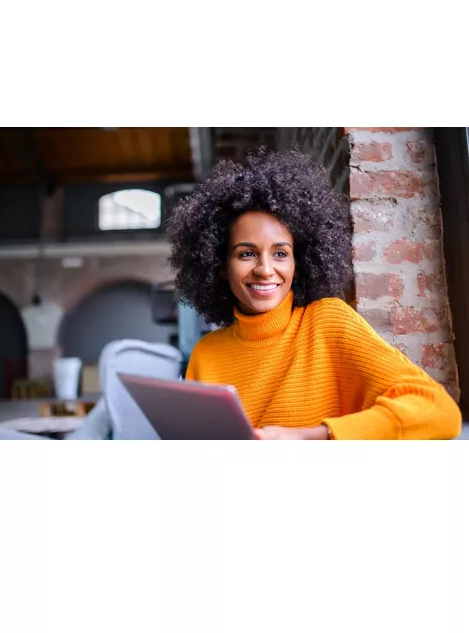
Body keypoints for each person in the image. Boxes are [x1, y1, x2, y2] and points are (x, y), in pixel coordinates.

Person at [166, 149, 462, 440]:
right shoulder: (206, 355)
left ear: (299, 260)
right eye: (247, 254)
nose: (265, 269)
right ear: (219, 266)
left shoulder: (327, 321)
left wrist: (313, 436)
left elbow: (439, 411)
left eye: (280, 253)